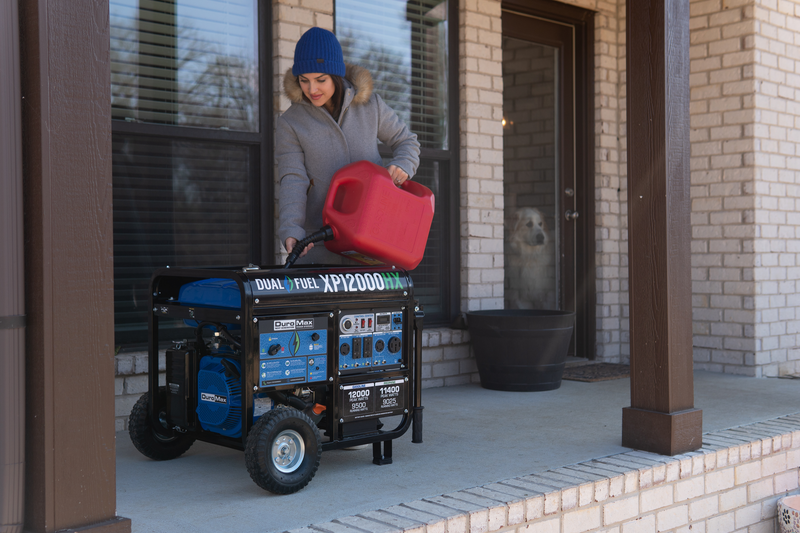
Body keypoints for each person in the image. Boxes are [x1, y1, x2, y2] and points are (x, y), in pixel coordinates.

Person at [276, 27, 421, 264]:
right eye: (304, 80)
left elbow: (406, 141)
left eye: (320, 80)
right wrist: (291, 229)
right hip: (319, 243)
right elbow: (292, 178)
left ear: (336, 75)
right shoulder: (291, 122)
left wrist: (404, 164)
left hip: (373, 239)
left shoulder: (370, 106)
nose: (312, 89)